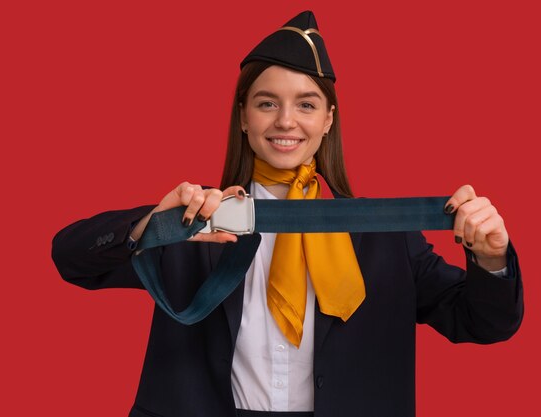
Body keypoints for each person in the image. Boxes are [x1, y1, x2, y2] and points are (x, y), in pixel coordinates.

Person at [51, 10, 523, 417]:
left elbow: (483, 322)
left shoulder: (383, 236)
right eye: (266, 104)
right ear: (242, 116)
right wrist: (154, 225)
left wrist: (491, 257)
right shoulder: (197, 221)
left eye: (306, 105)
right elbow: (70, 257)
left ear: (328, 120)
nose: (285, 121)